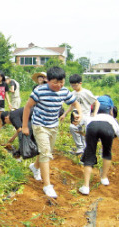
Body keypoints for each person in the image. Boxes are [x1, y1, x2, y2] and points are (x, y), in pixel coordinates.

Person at [22, 66, 82, 198]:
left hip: (53, 126)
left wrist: (78, 114)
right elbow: (27, 107)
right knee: (45, 153)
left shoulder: (64, 91)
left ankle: (34, 167)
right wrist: (25, 126)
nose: (59, 85)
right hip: (39, 125)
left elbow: (75, 104)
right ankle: (47, 186)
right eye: (55, 82)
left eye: (61, 82)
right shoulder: (39, 91)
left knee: (47, 151)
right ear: (47, 80)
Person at [78, 111, 119, 195]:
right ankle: (104, 178)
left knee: (89, 154)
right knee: (107, 152)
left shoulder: (92, 117)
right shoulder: (113, 120)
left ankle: (85, 186)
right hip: (107, 129)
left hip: (92, 127)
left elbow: (81, 126)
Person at [60, 74, 100, 155]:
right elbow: (72, 105)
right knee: (77, 130)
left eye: (75, 85)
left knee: (78, 130)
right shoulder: (72, 93)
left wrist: (95, 115)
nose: (74, 87)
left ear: (80, 83)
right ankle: (81, 148)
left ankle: (83, 149)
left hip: (85, 115)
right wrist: (64, 114)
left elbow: (96, 102)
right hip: (75, 115)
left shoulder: (86, 92)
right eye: (72, 85)